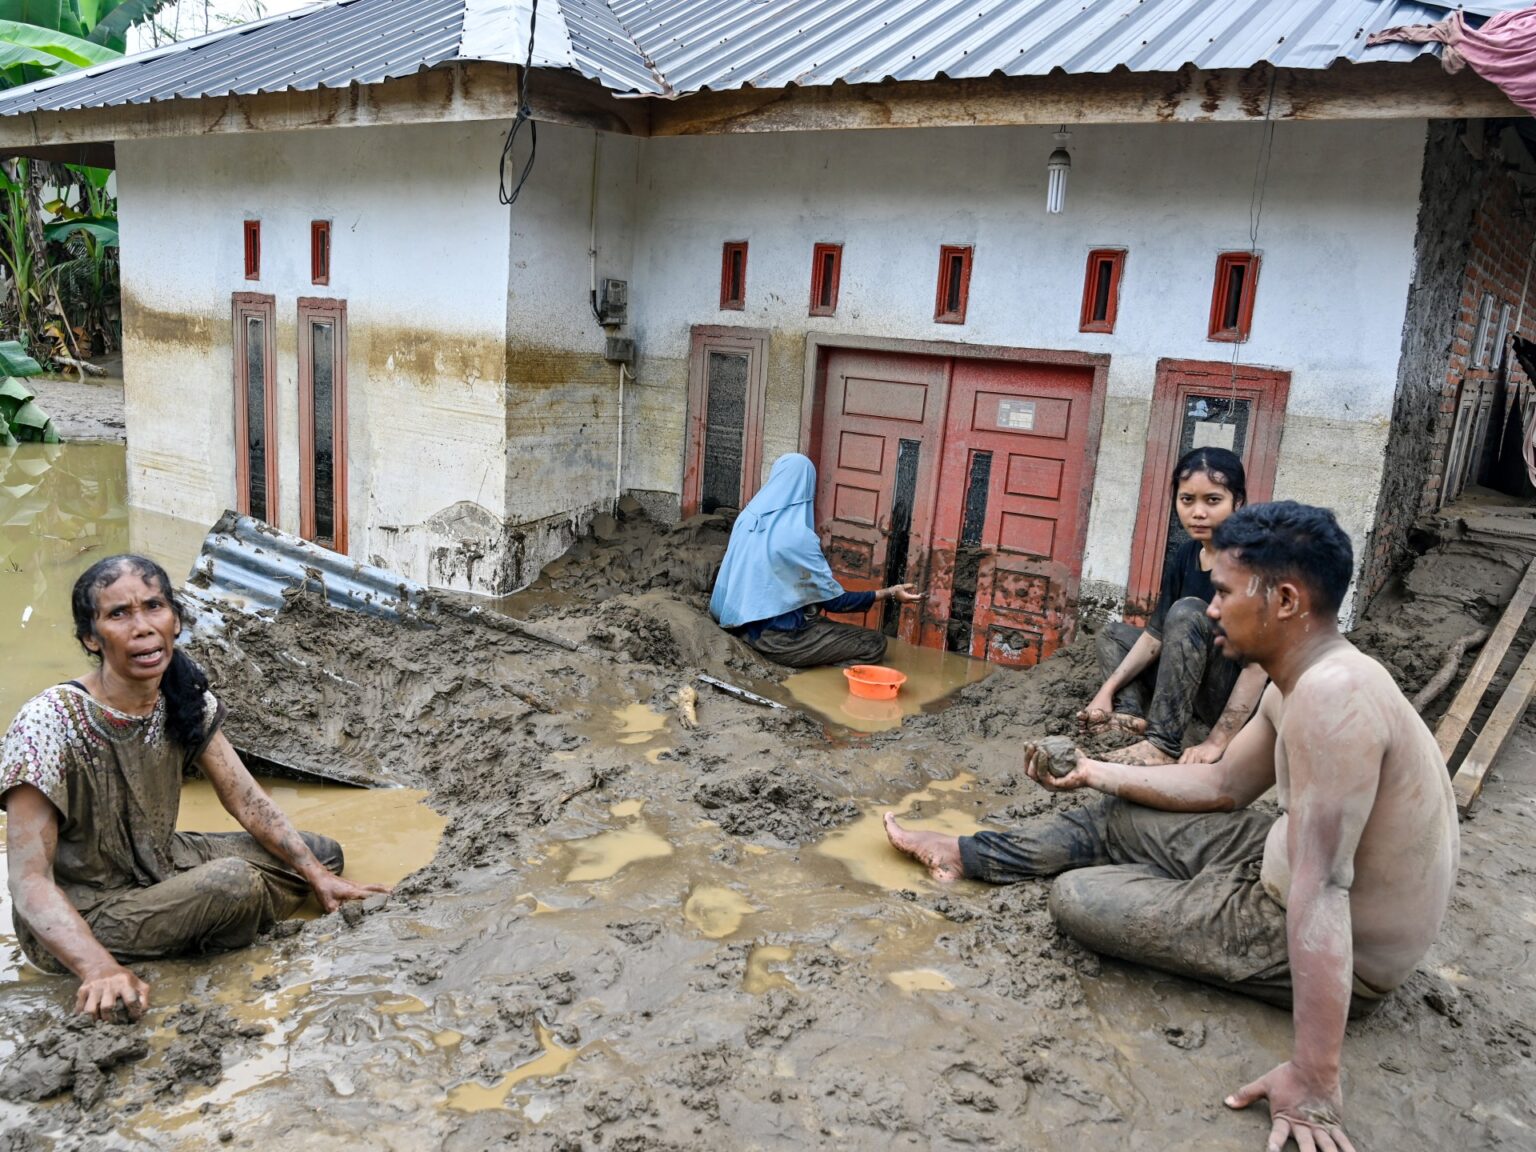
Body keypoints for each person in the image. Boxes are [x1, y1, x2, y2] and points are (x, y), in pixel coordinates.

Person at [886, 502, 1458, 1152]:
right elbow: (1223, 786)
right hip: (1279, 858)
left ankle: (1141, 883)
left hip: (1345, 946)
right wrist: (1094, 772)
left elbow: (1323, 889)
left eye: (1223, 591)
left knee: (1079, 900)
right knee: (1120, 811)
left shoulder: (1333, 702)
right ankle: (967, 853)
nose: (1210, 609)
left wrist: (1316, 1081)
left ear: (1287, 599)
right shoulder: (1298, 677)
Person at [2, 555, 389, 1021]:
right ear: (90, 637)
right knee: (234, 883)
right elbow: (28, 881)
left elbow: (245, 799)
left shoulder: (182, 694)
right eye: (118, 614)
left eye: (154, 606)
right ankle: (184, 930)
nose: (142, 627)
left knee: (322, 855)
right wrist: (98, 968)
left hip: (160, 864)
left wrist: (318, 878)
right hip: (88, 907)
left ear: (176, 621)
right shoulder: (49, 721)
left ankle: (190, 922)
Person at [1080, 446, 1268, 764]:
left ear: (1238, 502)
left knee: (1187, 613)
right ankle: (1129, 715)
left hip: (1235, 698)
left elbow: (1257, 667)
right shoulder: (1185, 555)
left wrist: (1217, 741)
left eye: (1213, 500)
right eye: (1187, 500)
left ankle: (1162, 744)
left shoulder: (1253, 562)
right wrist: (1107, 691)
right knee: (1113, 635)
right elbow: (1155, 637)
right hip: (1189, 682)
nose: (1198, 512)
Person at [709, 453, 923, 668]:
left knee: (817, 619)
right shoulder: (797, 537)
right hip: (775, 639)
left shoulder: (747, 517)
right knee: (874, 644)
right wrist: (890, 593)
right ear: (807, 486)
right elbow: (834, 602)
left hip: (737, 622)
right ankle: (812, 675)